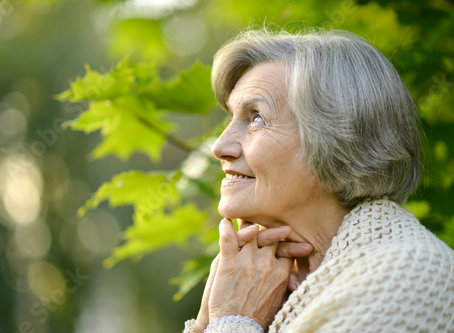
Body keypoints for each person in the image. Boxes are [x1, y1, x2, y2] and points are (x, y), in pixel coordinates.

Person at [183, 28, 454, 333]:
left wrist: (232, 322)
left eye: (256, 116)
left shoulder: (410, 275)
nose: (220, 147)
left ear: (337, 139)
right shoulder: (261, 289)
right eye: (230, 118)